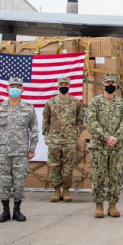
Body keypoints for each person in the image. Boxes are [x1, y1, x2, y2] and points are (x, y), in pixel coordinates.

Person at [0, 77, 38, 223]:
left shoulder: (28, 108)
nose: (15, 88)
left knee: (19, 182)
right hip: (3, 152)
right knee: (3, 182)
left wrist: (32, 148)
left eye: (18, 86)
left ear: (22, 89)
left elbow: (34, 129)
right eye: (12, 86)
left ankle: (17, 210)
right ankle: (5, 211)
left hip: (21, 152)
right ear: (7, 89)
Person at [86, 73, 123, 218]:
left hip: (116, 147)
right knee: (98, 176)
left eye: (113, 82)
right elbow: (91, 123)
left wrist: (115, 138)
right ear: (103, 85)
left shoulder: (121, 104)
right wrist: (106, 137)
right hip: (99, 146)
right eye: (108, 82)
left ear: (116, 85)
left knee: (114, 176)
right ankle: (99, 205)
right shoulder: (95, 102)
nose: (110, 85)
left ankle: (112, 205)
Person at [43, 75, 84, 203]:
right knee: (54, 166)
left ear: (69, 86)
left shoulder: (75, 102)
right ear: (58, 86)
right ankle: (56, 191)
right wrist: (46, 136)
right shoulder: (50, 103)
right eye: (62, 85)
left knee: (68, 166)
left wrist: (76, 135)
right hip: (54, 140)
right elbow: (46, 120)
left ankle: (66, 191)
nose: (64, 87)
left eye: (66, 85)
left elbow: (80, 120)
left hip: (69, 140)